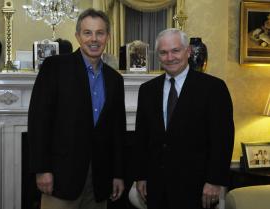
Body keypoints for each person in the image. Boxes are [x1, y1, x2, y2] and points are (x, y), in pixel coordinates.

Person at [28, 8, 126, 209]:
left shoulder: (114, 79)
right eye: (87, 33)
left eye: (100, 33)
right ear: (78, 36)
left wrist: (118, 174)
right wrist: (41, 169)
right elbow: (39, 121)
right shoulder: (54, 67)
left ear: (107, 36)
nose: (94, 39)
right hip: (60, 178)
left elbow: (118, 131)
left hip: (99, 181)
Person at [133, 28, 234, 209]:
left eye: (175, 50)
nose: (170, 57)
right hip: (157, 189)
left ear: (188, 51)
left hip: (198, 189)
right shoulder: (147, 90)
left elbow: (223, 139)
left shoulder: (213, 88)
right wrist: (140, 176)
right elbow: (141, 138)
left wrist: (214, 181)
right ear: (158, 56)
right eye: (163, 52)